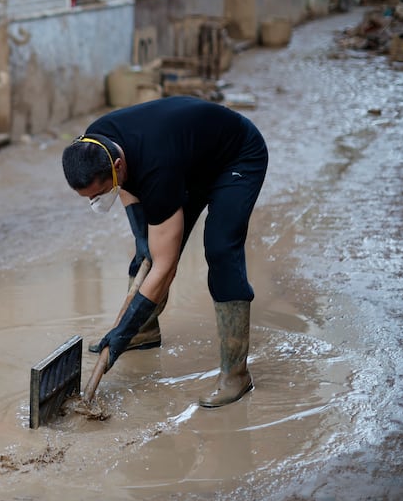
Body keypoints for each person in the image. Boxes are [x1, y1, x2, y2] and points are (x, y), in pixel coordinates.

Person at [62, 96, 268, 407]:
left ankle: (235, 375)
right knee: (146, 245)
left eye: (101, 193)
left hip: (235, 158)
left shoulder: (158, 167)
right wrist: (138, 232)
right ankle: (143, 332)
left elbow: (165, 266)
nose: (98, 201)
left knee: (221, 250)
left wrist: (120, 331)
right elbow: (127, 184)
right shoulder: (97, 142)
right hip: (187, 162)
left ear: (116, 166)